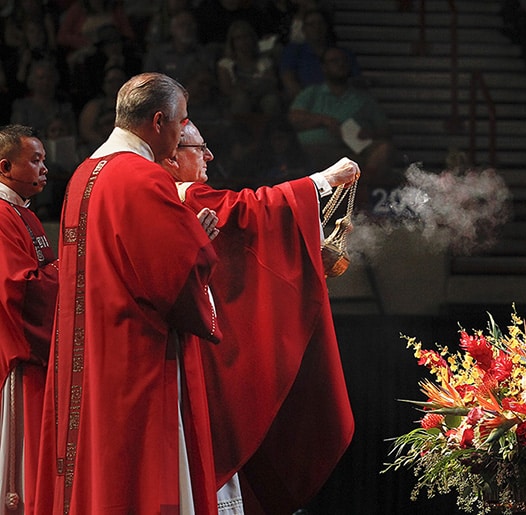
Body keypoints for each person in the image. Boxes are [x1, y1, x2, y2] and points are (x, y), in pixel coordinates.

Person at [34, 72, 225, 514]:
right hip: (134, 353)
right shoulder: (142, 177)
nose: (181, 136)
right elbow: (172, 275)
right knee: (134, 481)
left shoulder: (85, 172)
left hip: (88, 350)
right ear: (158, 122)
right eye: (181, 124)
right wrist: (196, 241)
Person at [160, 120, 355, 514]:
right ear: (172, 153)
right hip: (196, 351)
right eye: (200, 147)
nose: (209, 156)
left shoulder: (166, 197)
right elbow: (252, 211)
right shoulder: (184, 195)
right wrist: (324, 180)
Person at [0, 124, 58, 514]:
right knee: (21, 471)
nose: (44, 169)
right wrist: (71, 268)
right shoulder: (2, 216)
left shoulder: (23, 213)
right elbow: (17, 288)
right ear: (4, 166)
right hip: (19, 353)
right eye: (35, 160)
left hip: (35, 354)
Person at [289, 46, 394, 200]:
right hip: (314, 152)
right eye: (334, 61)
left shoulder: (362, 98)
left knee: (383, 149)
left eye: (343, 61)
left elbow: (385, 130)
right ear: (324, 67)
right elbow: (293, 119)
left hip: (352, 153)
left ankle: (360, 195)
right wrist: (323, 120)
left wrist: (369, 134)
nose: (340, 65)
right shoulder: (312, 93)